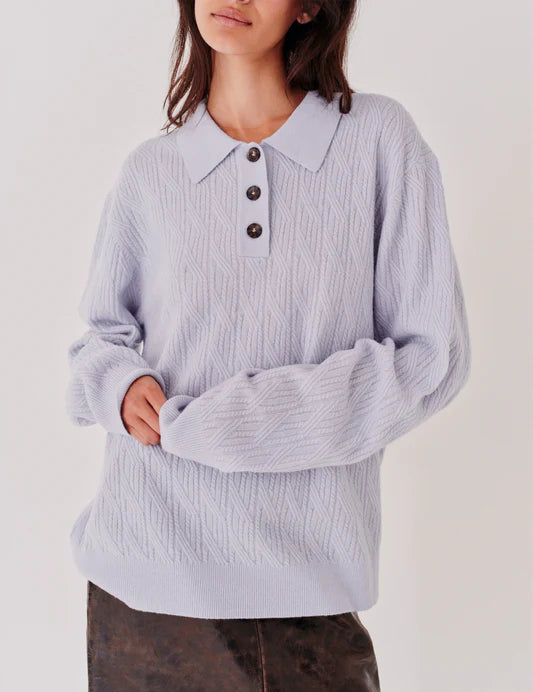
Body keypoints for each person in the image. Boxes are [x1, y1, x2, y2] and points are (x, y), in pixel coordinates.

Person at [65, 0, 472, 689]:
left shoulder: (377, 141)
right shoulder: (150, 172)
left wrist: (239, 424)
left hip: (303, 589)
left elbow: (431, 357)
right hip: (141, 581)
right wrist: (121, 385)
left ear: (309, 6)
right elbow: (101, 338)